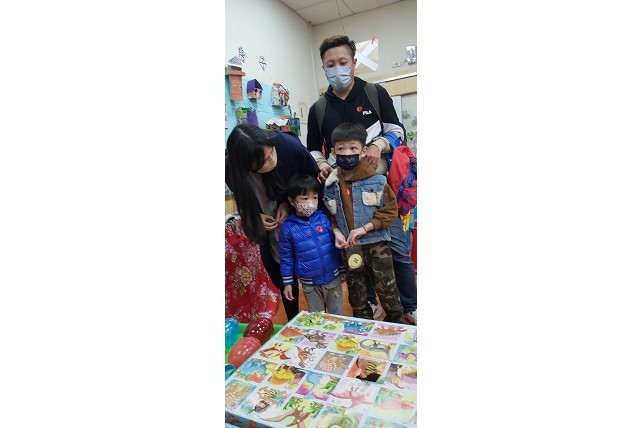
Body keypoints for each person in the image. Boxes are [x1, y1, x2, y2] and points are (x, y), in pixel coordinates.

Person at [307, 34, 418, 324]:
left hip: (377, 189)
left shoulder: (374, 94)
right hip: (342, 193)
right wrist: (322, 164)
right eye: (330, 64)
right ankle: (367, 305)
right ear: (324, 67)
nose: (337, 69)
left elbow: (397, 131)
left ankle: (410, 306)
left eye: (343, 62)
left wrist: (379, 145)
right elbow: (312, 149)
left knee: (397, 251)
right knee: (356, 255)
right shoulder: (319, 109)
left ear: (354, 63)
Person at [225, 123, 320, 321]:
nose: (272, 160)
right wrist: (255, 216)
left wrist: (289, 204)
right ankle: (293, 319)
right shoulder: (231, 170)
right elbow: (244, 200)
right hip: (272, 232)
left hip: (299, 216)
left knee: (313, 270)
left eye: (271, 154)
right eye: (264, 161)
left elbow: (312, 179)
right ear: (247, 166)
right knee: (283, 275)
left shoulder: (287, 146)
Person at [323, 122, 404, 324]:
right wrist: (336, 231)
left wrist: (365, 228)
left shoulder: (378, 181)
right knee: (357, 298)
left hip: (377, 247)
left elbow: (390, 211)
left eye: (353, 148)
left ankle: (397, 329)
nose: (347, 153)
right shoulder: (331, 185)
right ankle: (362, 331)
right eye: (341, 149)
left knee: (389, 294)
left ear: (364, 150)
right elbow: (330, 215)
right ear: (333, 152)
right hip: (351, 249)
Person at [278, 174, 344, 315]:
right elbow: (286, 257)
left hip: (333, 278)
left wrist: (342, 269)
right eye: (305, 198)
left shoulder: (323, 218)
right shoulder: (288, 228)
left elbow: (336, 247)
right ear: (291, 201)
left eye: (314, 197)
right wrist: (288, 283)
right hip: (310, 284)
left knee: (337, 316)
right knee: (316, 319)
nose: (311, 202)